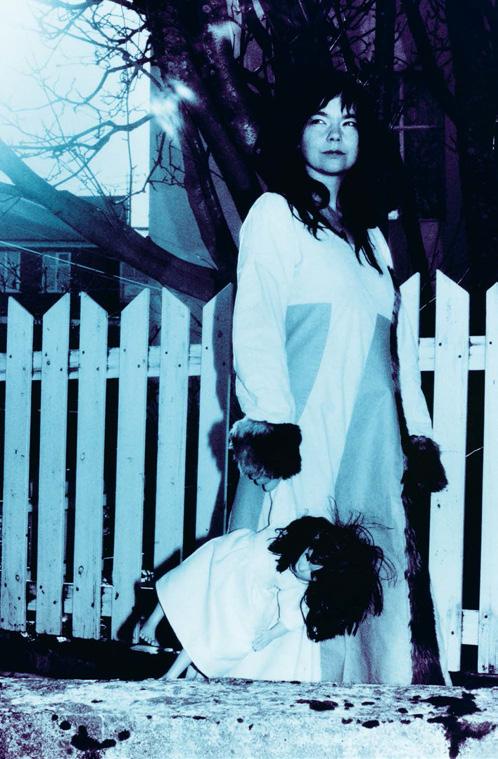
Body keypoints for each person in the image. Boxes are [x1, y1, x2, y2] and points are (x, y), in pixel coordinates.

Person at [228, 71, 449, 685]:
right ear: (294, 133)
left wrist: (417, 436)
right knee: (295, 574)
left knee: (379, 582)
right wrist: (274, 428)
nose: (334, 135)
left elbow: (399, 352)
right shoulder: (275, 215)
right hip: (308, 431)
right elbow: (257, 324)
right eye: (319, 120)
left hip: (372, 443)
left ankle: (377, 715)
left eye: (348, 122)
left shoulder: (372, 239)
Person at [140, 515, 391, 681]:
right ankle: (152, 621)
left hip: (243, 593)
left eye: (313, 575)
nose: (303, 568)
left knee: (221, 635)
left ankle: (173, 675)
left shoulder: (294, 582)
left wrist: (270, 634)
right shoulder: (283, 543)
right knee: (186, 580)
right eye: (307, 557)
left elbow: (291, 616)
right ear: (308, 544)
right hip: (227, 558)